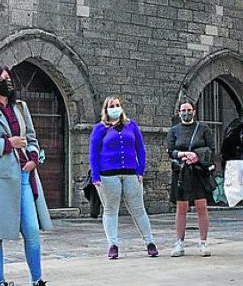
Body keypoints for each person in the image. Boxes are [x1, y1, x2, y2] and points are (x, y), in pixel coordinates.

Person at [0, 65, 54, 286]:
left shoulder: (21, 108)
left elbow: (31, 138)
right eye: (1, 79)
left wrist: (33, 157)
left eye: (8, 78)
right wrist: (7, 143)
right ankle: (0, 284)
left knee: (31, 231)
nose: (7, 82)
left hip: (24, 177)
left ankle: (37, 282)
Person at [89, 96, 156, 259]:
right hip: (108, 175)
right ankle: (113, 244)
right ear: (106, 109)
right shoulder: (100, 128)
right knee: (111, 210)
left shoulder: (131, 125)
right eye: (112, 106)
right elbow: (93, 153)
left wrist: (140, 170)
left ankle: (150, 242)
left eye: (118, 105)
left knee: (138, 209)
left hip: (131, 173)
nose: (115, 108)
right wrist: (95, 175)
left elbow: (140, 148)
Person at [167, 98, 215, 257]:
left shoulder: (203, 129)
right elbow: (171, 151)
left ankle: (203, 242)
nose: (186, 113)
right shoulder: (174, 130)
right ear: (179, 112)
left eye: (189, 110)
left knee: (202, 206)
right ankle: (179, 243)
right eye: (183, 111)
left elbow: (211, 149)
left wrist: (196, 156)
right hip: (181, 172)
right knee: (181, 208)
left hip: (198, 171)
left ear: (194, 111)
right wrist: (183, 154)